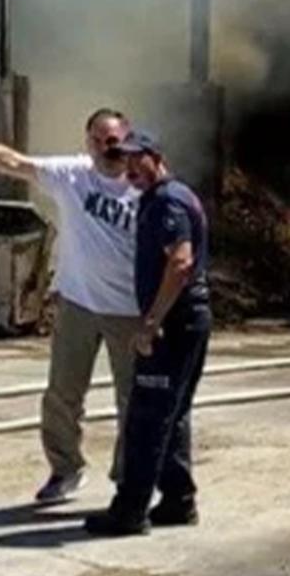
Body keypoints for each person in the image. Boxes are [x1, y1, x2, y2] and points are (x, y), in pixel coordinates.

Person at [0, 110, 140, 503]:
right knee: (62, 394)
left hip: (129, 309)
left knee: (134, 398)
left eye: (114, 139)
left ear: (129, 138)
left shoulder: (145, 184)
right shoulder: (73, 174)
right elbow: (12, 161)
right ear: (87, 142)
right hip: (78, 303)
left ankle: (129, 477)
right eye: (99, 139)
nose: (108, 147)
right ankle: (65, 468)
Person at [85, 129, 211, 537]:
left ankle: (130, 510)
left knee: (146, 417)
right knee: (172, 414)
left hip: (173, 324)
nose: (129, 167)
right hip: (188, 319)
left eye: (137, 158)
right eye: (124, 159)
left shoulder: (166, 201)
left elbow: (180, 262)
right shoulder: (171, 196)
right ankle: (178, 499)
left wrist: (151, 322)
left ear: (155, 157)